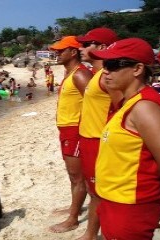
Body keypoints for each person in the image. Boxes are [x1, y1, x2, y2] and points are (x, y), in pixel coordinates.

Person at [90, 38, 160, 240]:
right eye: (105, 65)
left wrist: (151, 191)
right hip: (116, 200)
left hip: (131, 205)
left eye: (113, 65)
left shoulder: (145, 108)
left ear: (137, 69)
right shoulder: (129, 102)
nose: (105, 70)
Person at [76, 27, 121, 240]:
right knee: (90, 186)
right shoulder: (96, 74)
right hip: (88, 138)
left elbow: (120, 110)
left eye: (87, 44)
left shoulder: (106, 77)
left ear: (102, 47)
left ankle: (90, 234)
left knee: (96, 191)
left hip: (97, 140)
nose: (81, 48)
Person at [49, 36, 93, 233]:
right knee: (73, 175)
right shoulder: (71, 73)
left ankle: (73, 219)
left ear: (73, 52)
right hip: (67, 130)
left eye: (61, 50)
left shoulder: (80, 75)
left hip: (76, 131)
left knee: (78, 177)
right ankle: (74, 207)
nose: (57, 54)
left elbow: (96, 105)